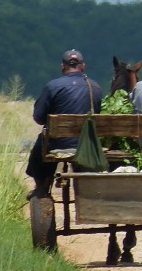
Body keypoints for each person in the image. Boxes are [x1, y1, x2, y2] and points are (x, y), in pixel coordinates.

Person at [26, 49, 102, 198]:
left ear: (63, 66)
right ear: (83, 66)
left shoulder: (52, 87)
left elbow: (39, 118)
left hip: (58, 145)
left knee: (39, 149)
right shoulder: (95, 87)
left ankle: (42, 187)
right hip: (86, 145)